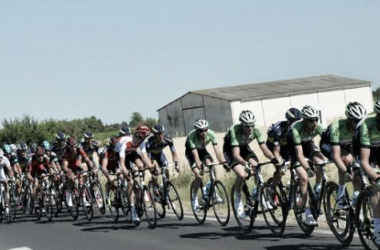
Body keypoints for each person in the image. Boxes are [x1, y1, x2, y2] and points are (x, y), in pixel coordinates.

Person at [223, 110, 280, 219]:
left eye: (252, 125)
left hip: (244, 148)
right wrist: (245, 164)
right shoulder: (235, 130)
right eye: (247, 126)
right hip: (231, 151)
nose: (250, 128)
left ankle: (260, 197)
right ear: (242, 125)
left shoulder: (256, 131)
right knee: (242, 174)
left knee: (256, 166)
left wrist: (273, 158)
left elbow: (264, 149)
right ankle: (238, 197)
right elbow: (236, 155)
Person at [320, 102, 367, 209]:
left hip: (347, 145)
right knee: (345, 160)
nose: (360, 124)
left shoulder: (362, 128)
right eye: (357, 121)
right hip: (328, 145)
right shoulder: (337, 127)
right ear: (349, 120)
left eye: (362, 120)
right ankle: (340, 196)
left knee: (357, 169)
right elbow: (336, 156)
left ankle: (356, 198)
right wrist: (345, 172)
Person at [287, 105, 326, 226]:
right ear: (304, 120)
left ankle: (318, 188)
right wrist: (308, 168)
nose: (314, 123)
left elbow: (328, 140)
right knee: (304, 177)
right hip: (294, 149)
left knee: (321, 162)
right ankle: (307, 212)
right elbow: (299, 154)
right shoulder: (296, 129)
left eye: (316, 119)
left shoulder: (317, 127)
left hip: (308, 144)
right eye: (310, 120)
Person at [185, 118, 227, 211]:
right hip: (191, 153)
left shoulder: (211, 134)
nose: (204, 133)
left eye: (205, 130)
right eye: (201, 131)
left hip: (202, 151)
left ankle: (211, 190)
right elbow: (195, 156)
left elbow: (218, 152)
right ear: (197, 130)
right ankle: (194, 198)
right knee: (199, 176)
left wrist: (224, 162)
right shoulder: (192, 137)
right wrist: (199, 165)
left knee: (211, 165)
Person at [356, 99, 380, 244]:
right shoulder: (367, 125)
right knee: (377, 187)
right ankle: (377, 230)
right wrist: (376, 178)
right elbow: (364, 161)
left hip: (378, 148)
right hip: (364, 151)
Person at [117, 124, 151, 222]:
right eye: (144, 135)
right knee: (130, 182)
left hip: (131, 152)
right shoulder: (125, 143)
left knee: (141, 166)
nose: (145, 138)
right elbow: (122, 164)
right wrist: (126, 173)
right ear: (139, 135)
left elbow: (145, 157)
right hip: (121, 156)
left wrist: (151, 168)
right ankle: (132, 209)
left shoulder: (141, 141)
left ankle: (142, 185)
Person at [266, 108, 302, 189]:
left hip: (285, 146)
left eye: (298, 121)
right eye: (294, 121)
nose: (296, 123)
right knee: (280, 169)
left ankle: (292, 186)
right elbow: (276, 152)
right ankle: (272, 189)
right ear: (289, 120)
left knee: (295, 164)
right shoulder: (279, 130)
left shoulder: (298, 129)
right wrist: (280, 162)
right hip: (273, 147)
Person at [61, 136, 94, 208]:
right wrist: (69, 171)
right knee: (71, 178)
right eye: (71, 147)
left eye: (75, 146)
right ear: (68, 147)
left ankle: (84, 199)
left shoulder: (79, 149)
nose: (74, 149)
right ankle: (69, 195)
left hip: (76, 166)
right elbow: (65, 167)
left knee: (82, 178)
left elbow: (87, 159)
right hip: (68, 167)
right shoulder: (66, 152)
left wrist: (92, 167)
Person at [100, 137, 123, 207]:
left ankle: (120, 194)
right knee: (111, 179)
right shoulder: (107, 151)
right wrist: (108, 173)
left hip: (114, 165)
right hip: (105, 166)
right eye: (114, 147)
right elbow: (104, 166)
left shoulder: (119, 150)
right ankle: (106, 195)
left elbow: (122, 162)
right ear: (111, 146)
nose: (115, 149)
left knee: (122, 176)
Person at [0, 149, 15, 216]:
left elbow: (10, 170)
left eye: (0, 158)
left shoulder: (5, 159)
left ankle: (6, 206)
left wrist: (11, 177)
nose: (0, 159)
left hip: (1, 172)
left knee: (6, 186)